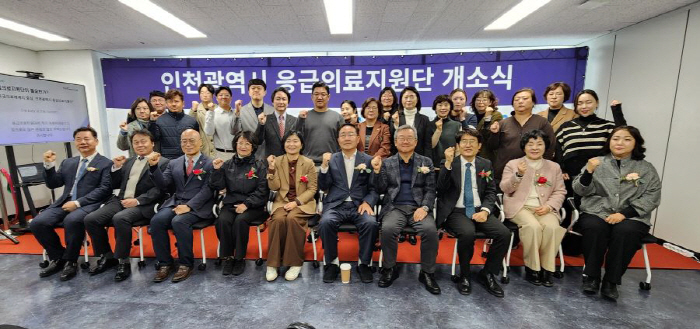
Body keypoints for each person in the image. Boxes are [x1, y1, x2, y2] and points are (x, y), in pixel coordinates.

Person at [573, 126, 661, 301]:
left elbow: (652, 195)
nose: (620, 143)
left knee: (625, 231)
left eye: (627, 139)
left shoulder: (645, 168)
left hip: (632, 216)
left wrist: (624, 214)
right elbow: (579, 189)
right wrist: (588, 172)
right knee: (594, 227)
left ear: (636, 143)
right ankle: (591, 277)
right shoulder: (596, 162)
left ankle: (611, 282)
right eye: (616, 138)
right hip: (597, 211)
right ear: (609, 141)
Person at [84, 130, 169, 281]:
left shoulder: (163, 162)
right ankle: (107, 256)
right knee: (91, 219)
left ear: (152, 143)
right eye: (136, 142)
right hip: (120, 200)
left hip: (144, 204)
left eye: (143, 141)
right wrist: (116, 168)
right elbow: (116, 184)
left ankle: (123, 261)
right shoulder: (129, 161)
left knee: (120, 219)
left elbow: (160, 190)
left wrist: (137, 201)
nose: (140, 145)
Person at [29, 127, 113, 281]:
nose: (83, 142)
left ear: (96, 141)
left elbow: (104, 189)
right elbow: (54, 183)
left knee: (72, 220)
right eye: (78, 139)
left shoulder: (106, 163)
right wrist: (49, 166)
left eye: (86, 139)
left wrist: (78, 202)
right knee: (37, 223)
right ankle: (58, 257)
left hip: (90, 203)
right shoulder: (68, 162)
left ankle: (71, 261)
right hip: (64, 202)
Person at [436, 128, 510, 298]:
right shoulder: (448, 163)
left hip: (479, 209)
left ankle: (489, 273)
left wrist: (484, 210)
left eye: (472, 142)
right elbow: (440, 189)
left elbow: (491, 191)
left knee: (504, 233)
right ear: (457, 145)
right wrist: (447, 164)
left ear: (479, 146)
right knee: (467, 233)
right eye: (464, 141)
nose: (468, 145)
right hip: (457, 210)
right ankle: (465, 274)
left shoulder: (485, 164)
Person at [371, 125, 440, 294]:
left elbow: (431, 189)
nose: (405, 141)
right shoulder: (388, 162)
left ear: (416, 142)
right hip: (395, 207)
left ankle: (427, 272)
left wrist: (425, 207)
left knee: (430, 231)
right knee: (387, 229)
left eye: (409, 138)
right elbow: (380, 189)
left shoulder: (426, 162)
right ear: (395, 142)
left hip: (419, 207)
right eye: (401, 138)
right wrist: (377, 171)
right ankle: (390, 268)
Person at [500, 130, 566, 287]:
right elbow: (505, 188)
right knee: (533, 227)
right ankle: (532, 268)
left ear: (545, 146)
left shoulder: (554, 166)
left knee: (552, 227)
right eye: (530, 144)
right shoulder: (513, 164)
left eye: (539, 144)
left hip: (545, 207)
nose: (534, 148)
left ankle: (547, 268)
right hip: (520, 206)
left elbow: (560, 191)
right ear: (524, 147)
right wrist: (518, 175)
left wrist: (549, 206)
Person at [148, 129, 215, 283]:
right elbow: (163, 185)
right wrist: (153, 168)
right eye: (184, 141)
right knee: (157, 221)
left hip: (199, 206)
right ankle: (165, 263)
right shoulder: (174, 163)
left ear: (200, 143)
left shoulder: (210, 163)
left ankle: (186, 263)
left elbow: (208, 190)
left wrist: (189, 206)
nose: (188, 144)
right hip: (176, 203)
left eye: (192, 140)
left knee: (179, 221)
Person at [318, 124, 379, 283]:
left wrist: (368, 202)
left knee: (371, 223)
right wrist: (323, 167)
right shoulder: (332, 159)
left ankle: (364, 263)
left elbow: (374, 188)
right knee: (326, 222)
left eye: (350, 134)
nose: (347, 138)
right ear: (338, 140)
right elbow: (324, 187)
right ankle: (332, 263)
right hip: (336, 205)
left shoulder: (368, 160)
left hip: (359, 205)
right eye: (343, 135)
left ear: (358, 138)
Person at [209, 131, 269, 276]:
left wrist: (247, 204)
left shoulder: (260, 165)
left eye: (247, 143)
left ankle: (239, 257)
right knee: (222, 221)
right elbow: (217, 186)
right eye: (240, 143)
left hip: (253, 205)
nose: (243, 146)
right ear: (235, 144)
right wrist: (216, 171)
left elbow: (262, 191)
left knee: (240, 221)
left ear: (253, 147)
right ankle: (228, 257)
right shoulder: (227, 164)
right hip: (231, 203)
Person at [556, 90, 627, 207]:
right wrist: (562, 169)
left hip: (599, 176)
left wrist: (617, 111)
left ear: (597, 103)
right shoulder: (565, 127)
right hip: (571, 177)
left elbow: (624, 134)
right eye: (580, 103)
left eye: (588, 102)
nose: (584, 106)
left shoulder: (606, 126)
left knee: (595, 209)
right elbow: (558, 149)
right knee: (572, 209)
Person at [265, 131, 318, 281]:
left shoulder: (308, 163)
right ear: (283, 144)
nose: (291, 144)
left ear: (301, 144)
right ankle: (272, 264)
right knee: (278, 220)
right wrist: (271, 169)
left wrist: (297, 202)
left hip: (302, 203)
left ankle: (295, 263)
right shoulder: (278, 161)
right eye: (288, 141)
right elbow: (274, 187)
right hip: (282, 201)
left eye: (295, 141)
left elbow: (312, 189)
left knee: (293, 219)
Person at [485, 88, 555, 182]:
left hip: (534, 173)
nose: (520, 102)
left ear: (533, 102)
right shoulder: (503, 123)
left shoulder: (542, 122)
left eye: (525, 98)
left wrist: (542, 167)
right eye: (517, 99)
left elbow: (550, 147)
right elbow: (491, 147)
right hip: (505, 172)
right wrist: (494, 134)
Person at [297, 81, 345, 166]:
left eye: (323, 94)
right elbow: (296, 139)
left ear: (328, 97)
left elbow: (343, 142)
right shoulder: (304, 117)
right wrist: (300, 120)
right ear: (312, 97)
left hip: (332, 164)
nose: (319, 97)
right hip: (308, 165)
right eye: (316, 94)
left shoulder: (337, 117)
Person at [230, 78, 275, 160]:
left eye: (259, 88)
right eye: (253, 88)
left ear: (265, 92)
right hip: (248, 154)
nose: (256, 90)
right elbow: (234, 132)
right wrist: (237, 113)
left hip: (268, 154)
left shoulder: (272, 110)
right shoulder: (241, 110)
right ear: (249, 92)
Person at [148, 89, 199, 159]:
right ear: (166, 104)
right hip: (167, 161)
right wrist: (152, 123)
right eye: (170, 102)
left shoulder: (191, 121)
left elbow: (198, 142)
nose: (173, 104)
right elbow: (153, 139)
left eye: (176, 101)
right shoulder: (159, 121)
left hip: (188, 159)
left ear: (183, 103)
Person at [255, 87, 299, 158]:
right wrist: (261, 124)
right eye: (278, 99)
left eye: (284, 99)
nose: (281, 102)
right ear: (272, 102)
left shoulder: (295, 120)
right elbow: (258, 141)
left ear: (288, 103)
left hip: (290, 161)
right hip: (271, 162)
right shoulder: (265, 119)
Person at [390, 86, 432, 159]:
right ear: (401, 100)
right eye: (406, 97)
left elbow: (427, 144)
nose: (409, 100)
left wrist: (426, 162)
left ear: (417, 99)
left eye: (412, 97)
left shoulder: (424, 119)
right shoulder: (395, 117)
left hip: (419, 160)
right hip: (398, 160)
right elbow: (391, 141)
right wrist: (396, 125)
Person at [205, 86, 237, 160]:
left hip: (237, 154)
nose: (224, 97)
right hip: (221, 154)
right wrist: (211, 112)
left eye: (227, 95)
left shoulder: (236, 113)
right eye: (221, 95)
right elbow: (209, 132)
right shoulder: (212, 113)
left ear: (231, 98)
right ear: (216, 98)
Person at [470, 89, 503, 161]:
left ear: (490, 102)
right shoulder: (472, 116)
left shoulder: (496, 115)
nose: (481, 102)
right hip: (472, 156)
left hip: (487, 156)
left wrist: (487, 117)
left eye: (484, 100)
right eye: (478, 100)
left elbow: (487, 135)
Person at [430, 94, 462, 166]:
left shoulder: (457, 125)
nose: (443, 108)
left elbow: (458, 149)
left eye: (446, 105)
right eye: (440, 105)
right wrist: (438, 130)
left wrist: (457, 164)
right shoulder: (429, 124)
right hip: (432, 165)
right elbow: (430, 145)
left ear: (450, 107)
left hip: (451, 165)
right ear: (435, 108)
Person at [189, 83, 216, 158]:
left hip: (217, 147)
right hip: (203, 147)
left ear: (212, 95)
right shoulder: (196, 109)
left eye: (208, 92)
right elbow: (190, 125)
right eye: (202, 92)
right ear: (199, 95)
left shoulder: (218, 109)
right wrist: (193, 110)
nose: (205, 95)